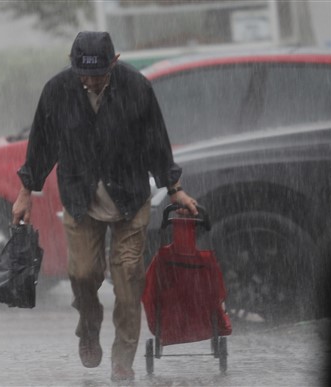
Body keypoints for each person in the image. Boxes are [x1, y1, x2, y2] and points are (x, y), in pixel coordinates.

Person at [12, 31, 198, 382]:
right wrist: (26, 192)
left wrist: (175, 189)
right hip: (80, 200)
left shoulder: (137, 88)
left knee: (128, 278)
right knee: (83, 275)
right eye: (84, 74)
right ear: (73, 65)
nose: (92, 81)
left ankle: (122, 359)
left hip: (129, 198)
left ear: (114, 63)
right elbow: (41, 146)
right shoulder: (57, 91)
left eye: (99, 75)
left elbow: (157, 142)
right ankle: (89, 328)